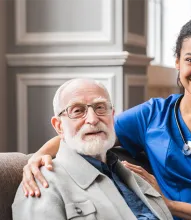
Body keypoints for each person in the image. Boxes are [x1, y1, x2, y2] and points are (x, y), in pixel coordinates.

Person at [21, 15, 191, 220]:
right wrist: (35, 158)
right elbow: (90, 130)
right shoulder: (152, 114)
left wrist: (168, 205)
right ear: (177, 62)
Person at [12, 79, 173, 220]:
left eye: (100, 107)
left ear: (112, 116)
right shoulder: (41, 184)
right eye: (77, 110)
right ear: (59, 126)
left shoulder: (135, 177)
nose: (93, 119)